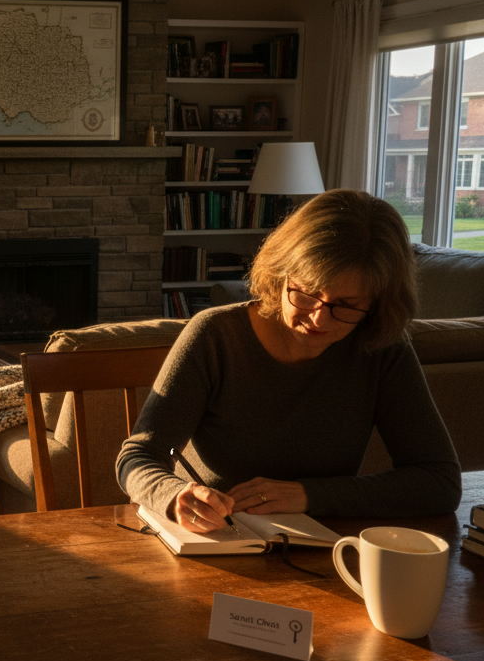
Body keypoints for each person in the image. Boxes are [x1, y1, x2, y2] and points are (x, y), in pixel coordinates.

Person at [117, 189, 461, 532]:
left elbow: (439, 482)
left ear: (377, 303)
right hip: (218, 538)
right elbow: (137, 457)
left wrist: (310, 495)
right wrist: (174, 495)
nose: (319, 320)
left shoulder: (382, 347)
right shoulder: (216, 336)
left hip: (324, 547)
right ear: (280, 274)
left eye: (346, 304)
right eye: (308, 293)